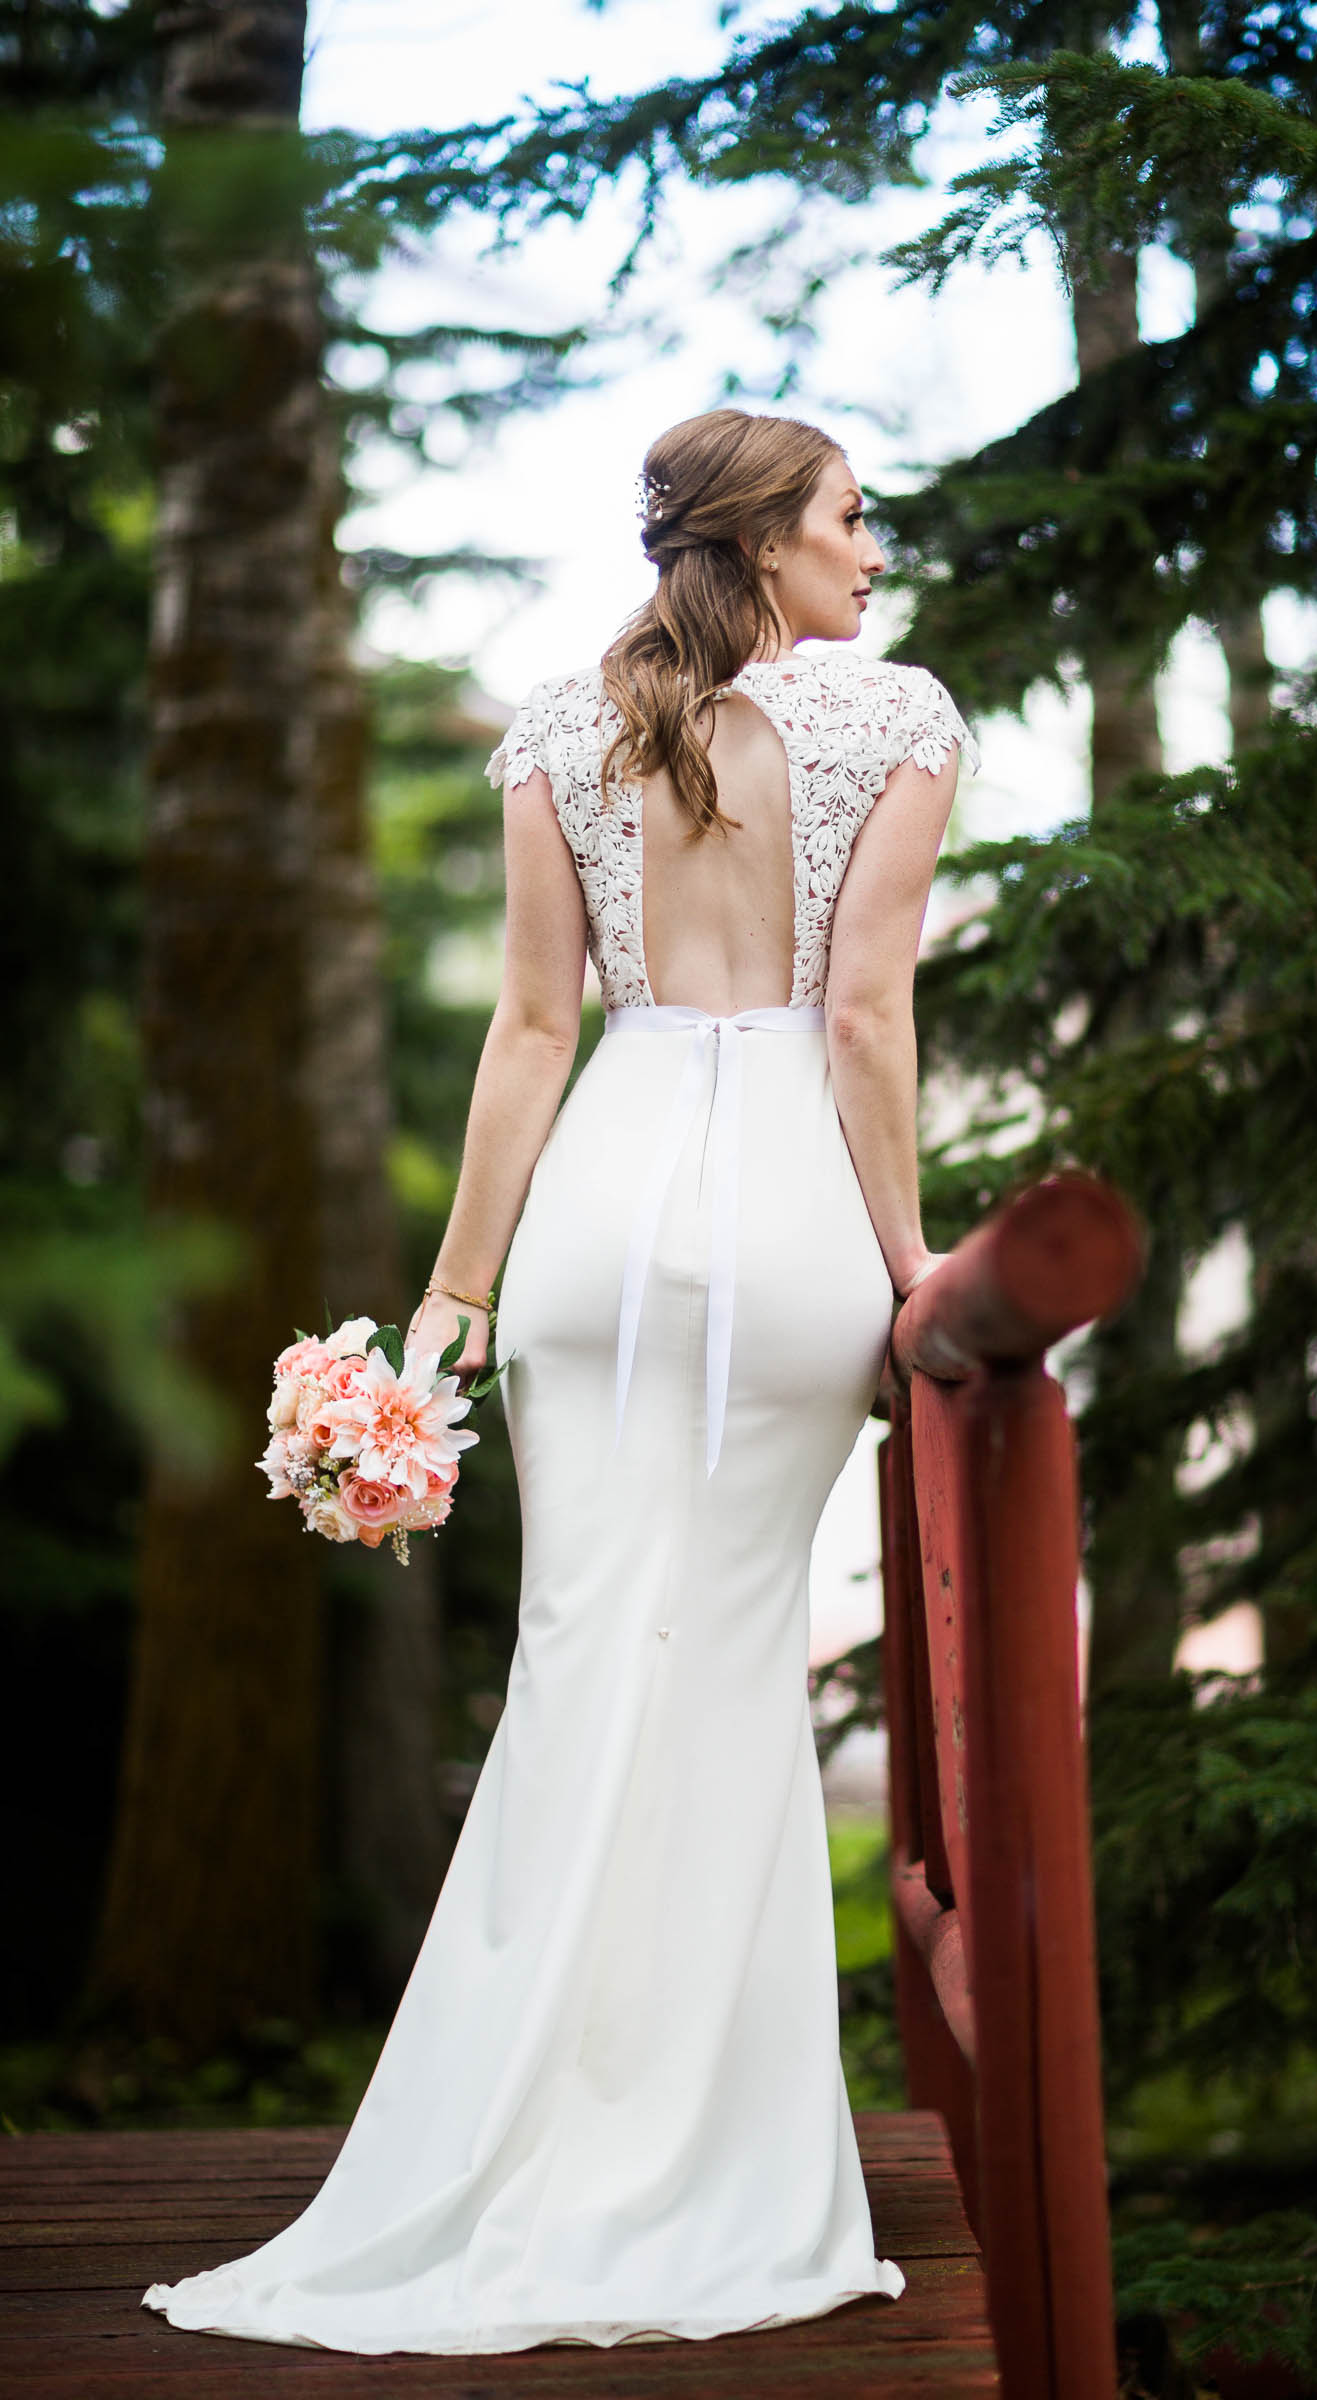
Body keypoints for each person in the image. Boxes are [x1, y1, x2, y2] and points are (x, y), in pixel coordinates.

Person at [142, 406, 975, 2354]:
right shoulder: (891, 721)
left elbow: (532, 1029)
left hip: (591, 1233)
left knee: (585, 1671)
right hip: (774, 1215)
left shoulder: (553, 725)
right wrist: (912, 1260)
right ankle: (699, 2163)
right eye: (851, 518)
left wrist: (449, 1305)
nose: (875, 547)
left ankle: (521, 2145)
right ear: (766, 545)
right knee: (726, 1670)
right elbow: (856, 1015)